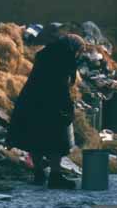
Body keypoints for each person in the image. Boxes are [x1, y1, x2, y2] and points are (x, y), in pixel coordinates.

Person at [8, 34, 85, 189]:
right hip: (51, 102)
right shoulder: (65, 57)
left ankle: (39, 173)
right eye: (79, 51)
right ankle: (55, 177)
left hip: (31, 100)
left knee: (36, 139)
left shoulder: (45, 53)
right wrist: (67, 107)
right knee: (56, 140)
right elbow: (61, 84)